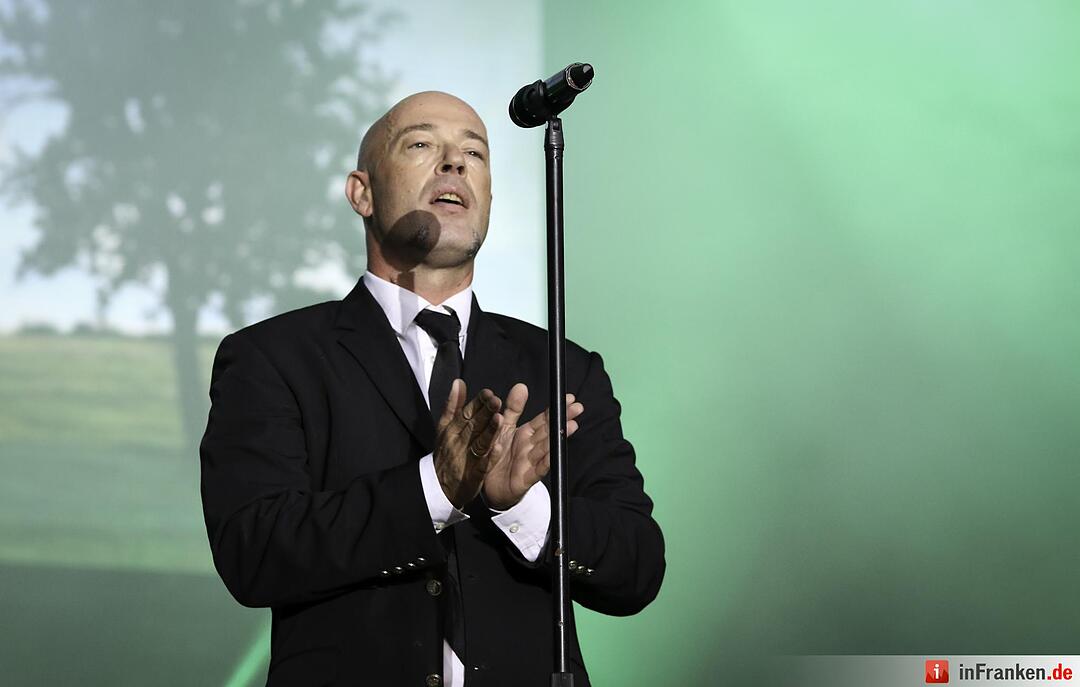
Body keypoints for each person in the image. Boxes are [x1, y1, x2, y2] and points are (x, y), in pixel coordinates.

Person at [199, 91, 665, 687]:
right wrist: (435, 488)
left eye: (475, 152)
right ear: (360, 192)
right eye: (422, 145)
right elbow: (253, 551)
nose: (455, 163)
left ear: (489, 198)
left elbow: (638, 567)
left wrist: (521, 506)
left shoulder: (562, 368)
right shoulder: (272, 358)